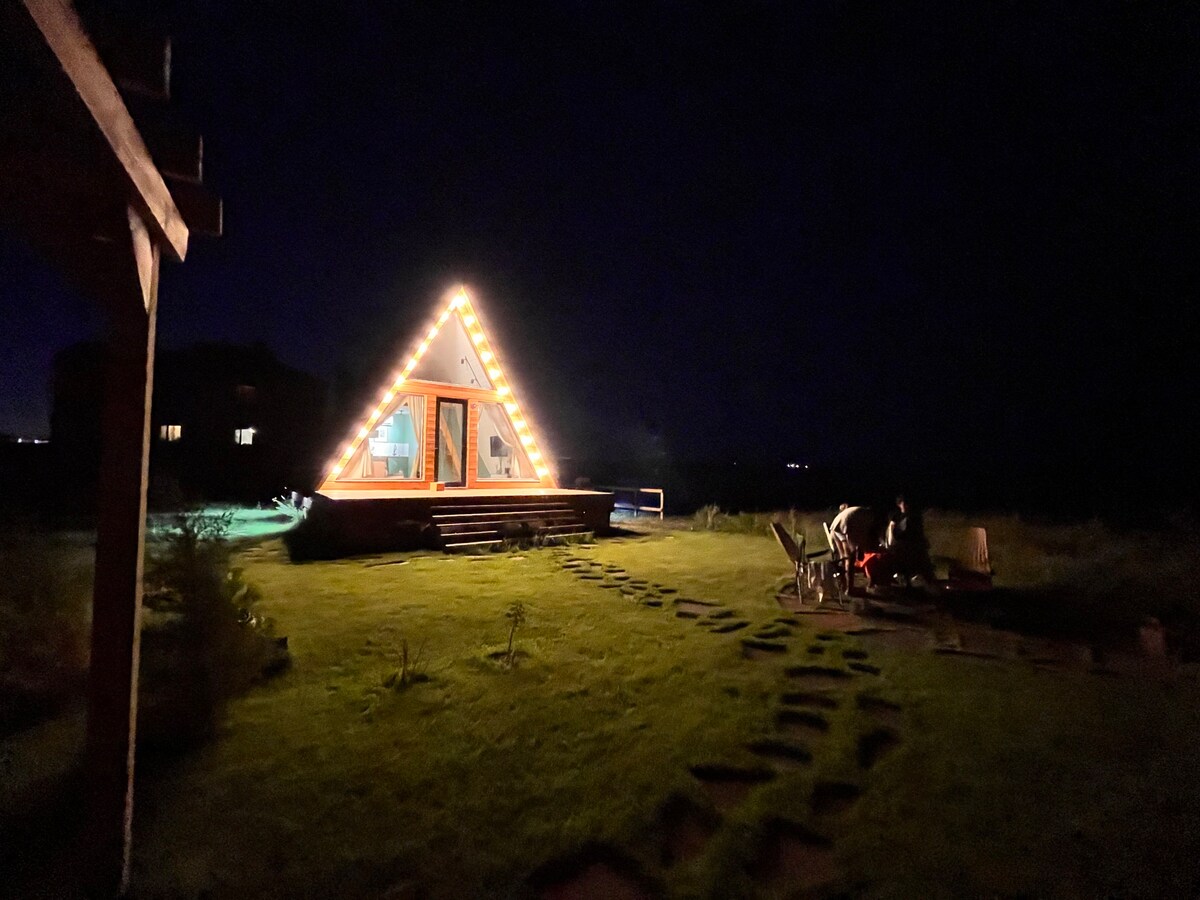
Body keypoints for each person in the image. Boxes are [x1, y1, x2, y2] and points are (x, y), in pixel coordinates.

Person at [828, 504, 884, 591]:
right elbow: (860, 536)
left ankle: (844, 585)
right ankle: (849, 589)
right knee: (850, 557)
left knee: (844, 557)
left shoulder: (862, 512)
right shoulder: (869, 518)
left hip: (835, 526)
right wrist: (858, 549)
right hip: (845, 524)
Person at [885, 495, 936, 586]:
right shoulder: (895, 515)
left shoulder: (914, 516)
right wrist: (891, 541)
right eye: (903, 504)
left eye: (907, 504)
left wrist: (922, 540)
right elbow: (891, 528)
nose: (905, 506)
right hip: (900, 543)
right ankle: (904, 580)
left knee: (920, 560)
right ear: (899, 504)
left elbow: (918, 530)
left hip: (911, 542)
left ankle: (925, 581)